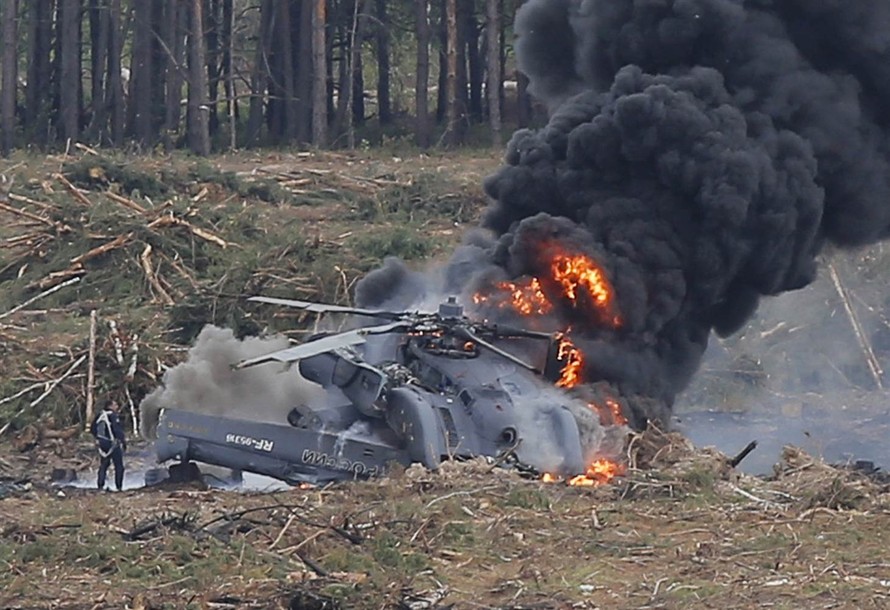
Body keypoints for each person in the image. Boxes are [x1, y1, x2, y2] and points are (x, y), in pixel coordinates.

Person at [90, 400, 127, 491]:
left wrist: (99, 439)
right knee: (119, 466)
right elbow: (117, 430)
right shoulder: (112, 416)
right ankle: (119, 487)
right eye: (115, 405)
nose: (117, 406)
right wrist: (123, 441)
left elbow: (92, 429)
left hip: (102, 444)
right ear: (110, 406)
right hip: (113, 443)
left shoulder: (100, 415)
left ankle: (100, 485)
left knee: (104, 465)